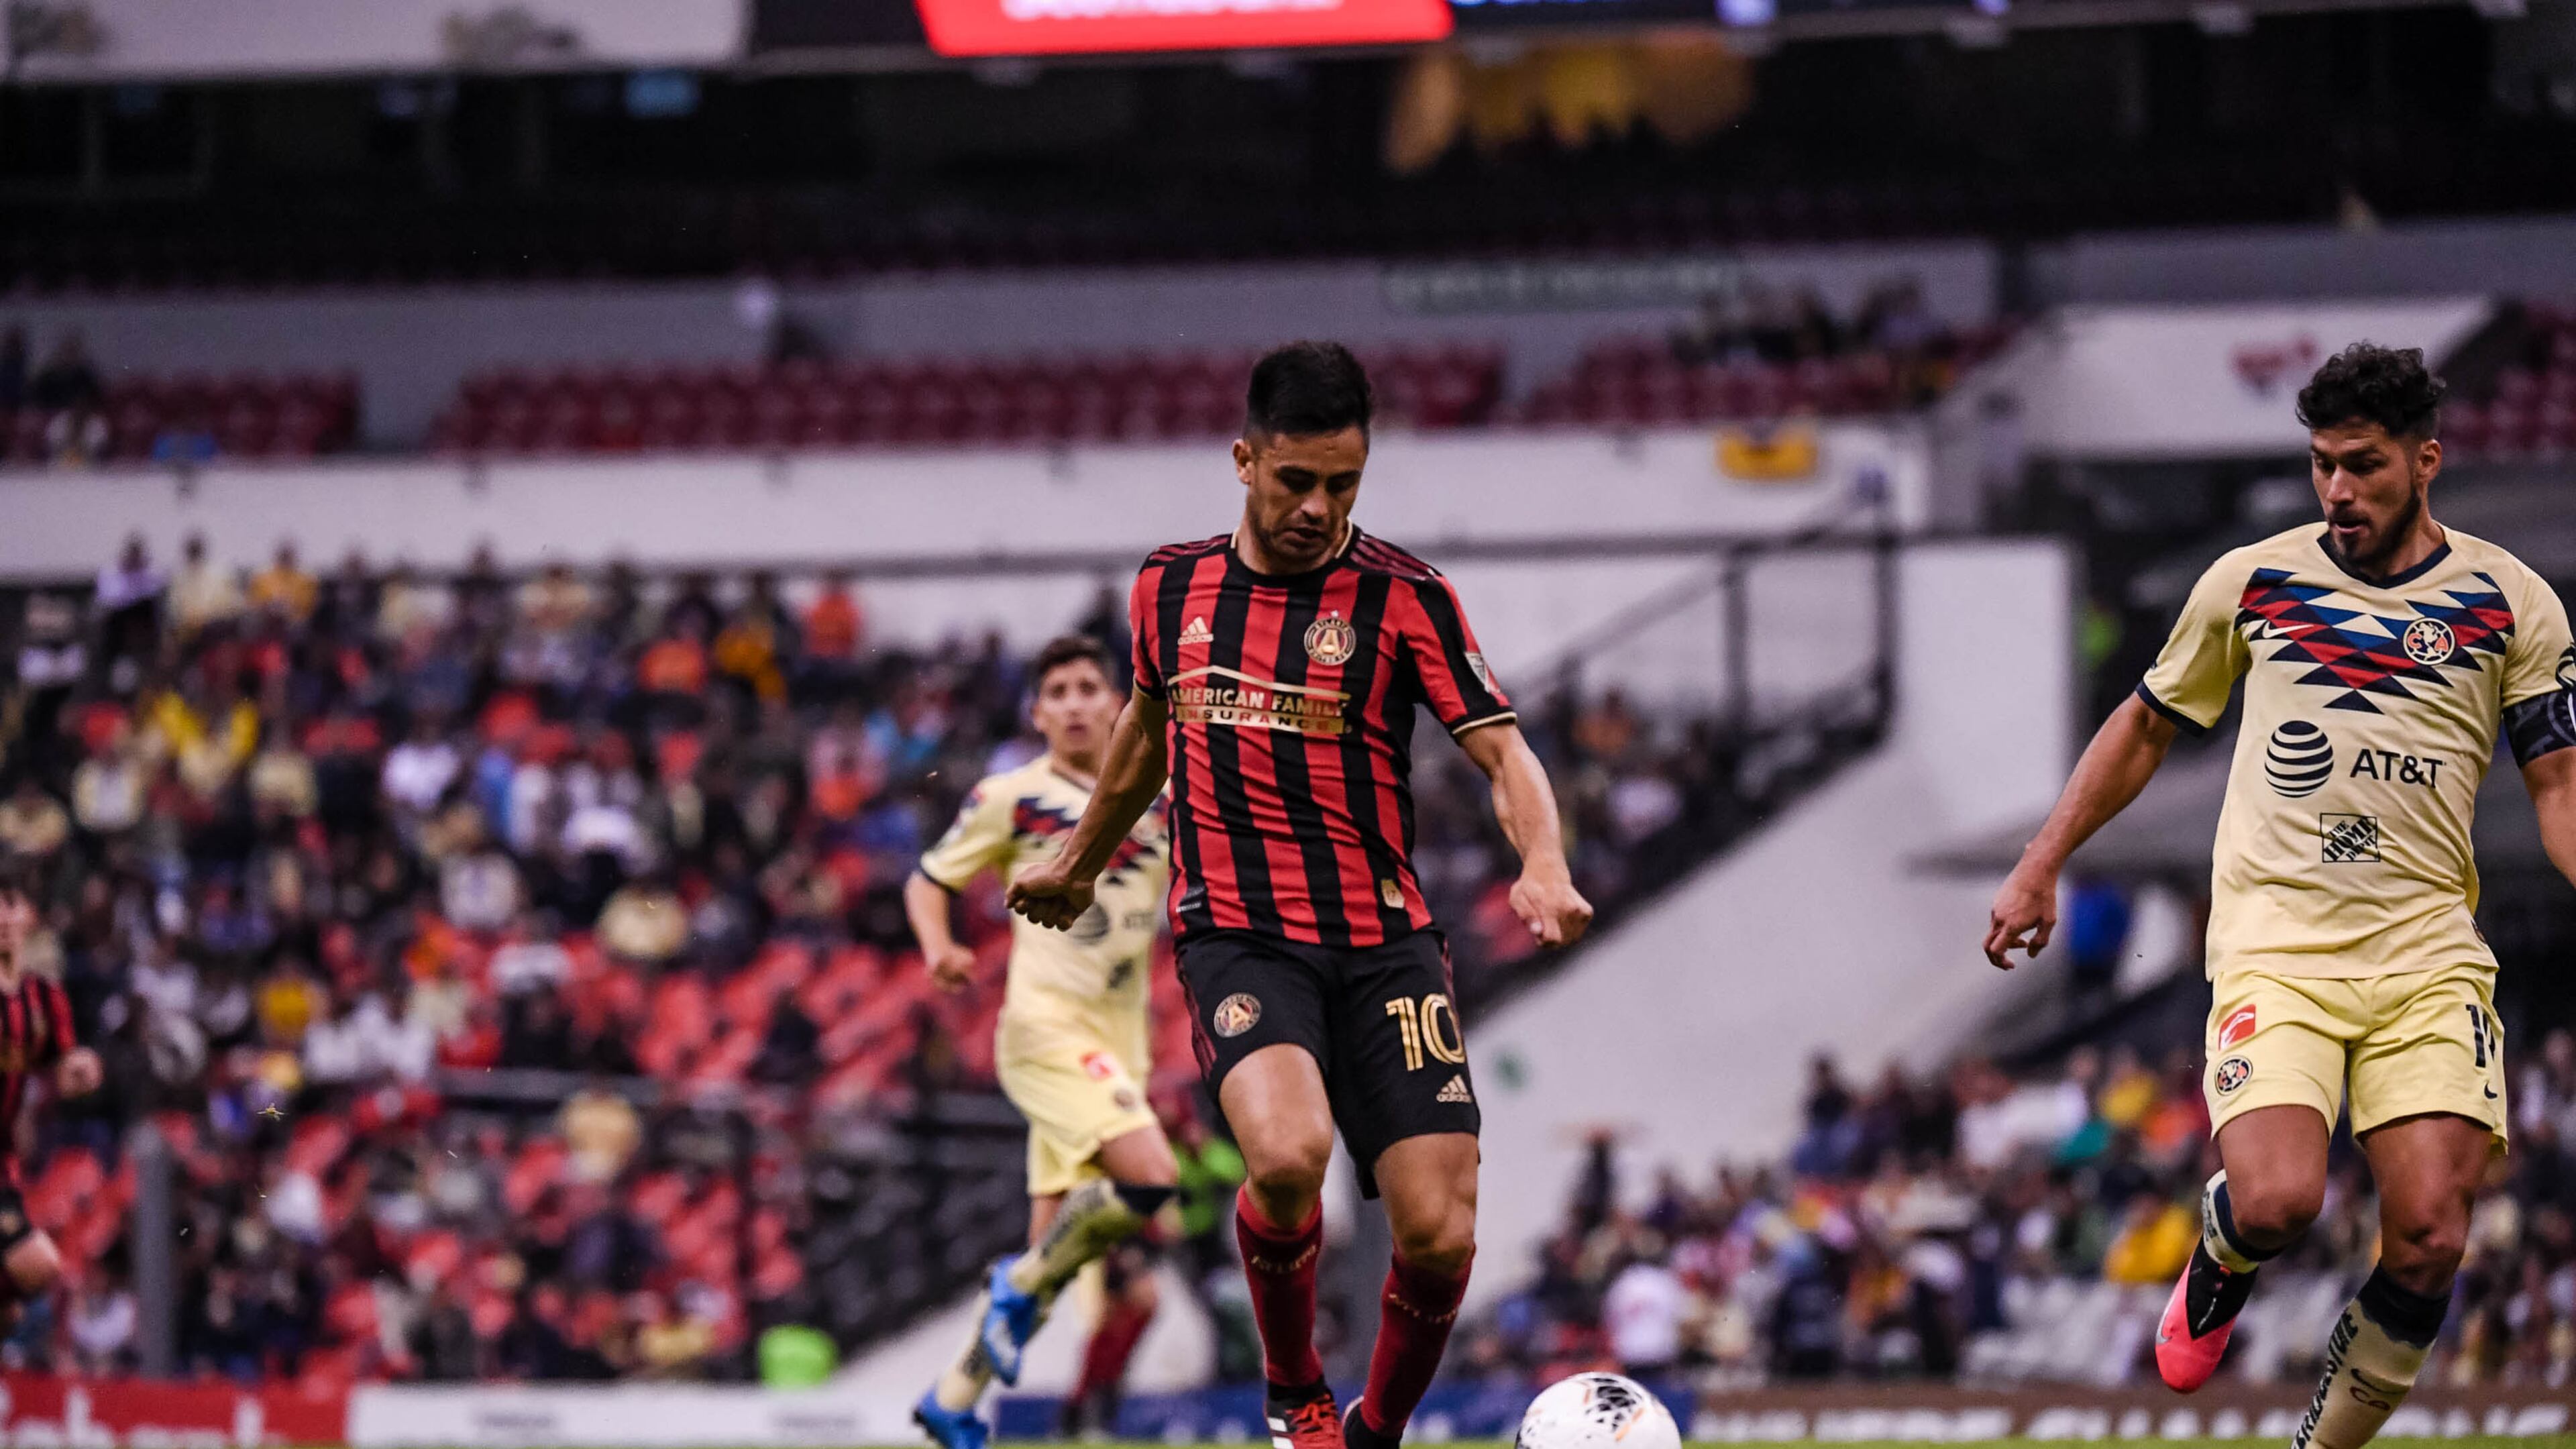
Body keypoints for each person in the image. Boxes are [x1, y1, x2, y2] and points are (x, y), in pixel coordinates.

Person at [1983, 343, 2576, 1449]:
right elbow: (2147, 724)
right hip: (2280, 950)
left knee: (2434, 1234)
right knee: (2278, 1203)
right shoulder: (2256, 581)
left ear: (2427, 461)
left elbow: (2559, 786)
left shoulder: (2511, 603)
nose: (2339, 491)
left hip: (2428, 959)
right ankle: (2223, 1243)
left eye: (2363, 466)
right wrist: (2042, 859)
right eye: (2321, 466)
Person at [1008, 341, 1593, 1449]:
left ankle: (1378, 1433)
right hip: (1241, 935)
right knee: (1284, 1158)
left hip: (1384, 947)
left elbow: (1506, 756)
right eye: (1298, 481)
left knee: (1437, 1228)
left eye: (1344, 485)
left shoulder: (1404, 597)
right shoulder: (1168, 588)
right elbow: (1147, 731)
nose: (1321, 507)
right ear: (1245, 459)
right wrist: (1079, 862)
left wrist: (1545, 863)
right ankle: (1295, 1393)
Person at [908, 634, 1179, 1449]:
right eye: (1054, 690)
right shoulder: (1012, 796)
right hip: (1045, 1033)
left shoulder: (1161, 796)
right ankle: (1037, 1336)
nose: (1071, 703)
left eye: (1087, 687)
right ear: (1036, 712)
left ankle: (952, 1402)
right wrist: (940, 950)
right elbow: (929, 880)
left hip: (1118, 1044)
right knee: (1150, 1179)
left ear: (1117, 704)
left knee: (1053, 1264)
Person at [0, 867, 105, 1326]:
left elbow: (64, 1065)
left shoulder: (44, 997)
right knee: (35, 1264)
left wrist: (84, 1069)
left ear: (30, 916)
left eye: (11, 904)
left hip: (3, 1166)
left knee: (27, 1287)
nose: (2, 916)